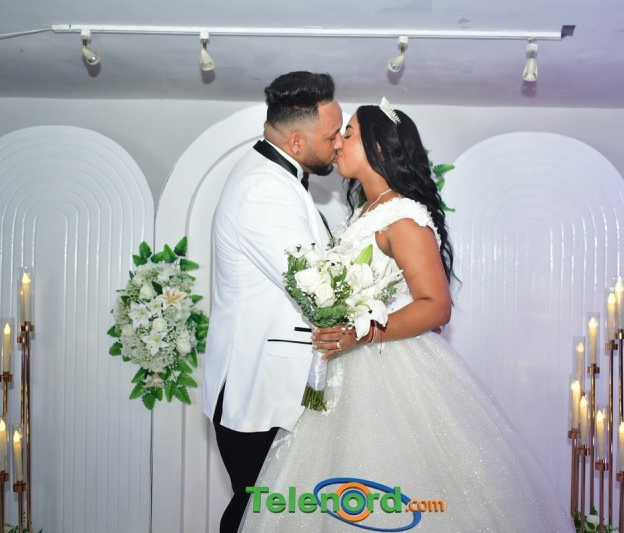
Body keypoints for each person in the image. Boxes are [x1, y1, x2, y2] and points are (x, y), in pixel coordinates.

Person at [239, 100, 574, 531]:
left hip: (389, 366)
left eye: (349, 133)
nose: (337, 143)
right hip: (343, 370)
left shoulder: (404, 217)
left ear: (378, 147)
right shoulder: (364, 214)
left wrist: (361, 334)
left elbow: (436, 305)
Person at [202, 71, 343, 533]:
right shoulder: (264, 188)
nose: (338, 144)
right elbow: (317, 289)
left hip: (266, 384)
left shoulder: (278, 179)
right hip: (257, 388)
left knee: (271, 515)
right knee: (256, 516)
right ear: (297, 142)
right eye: (331, 136)